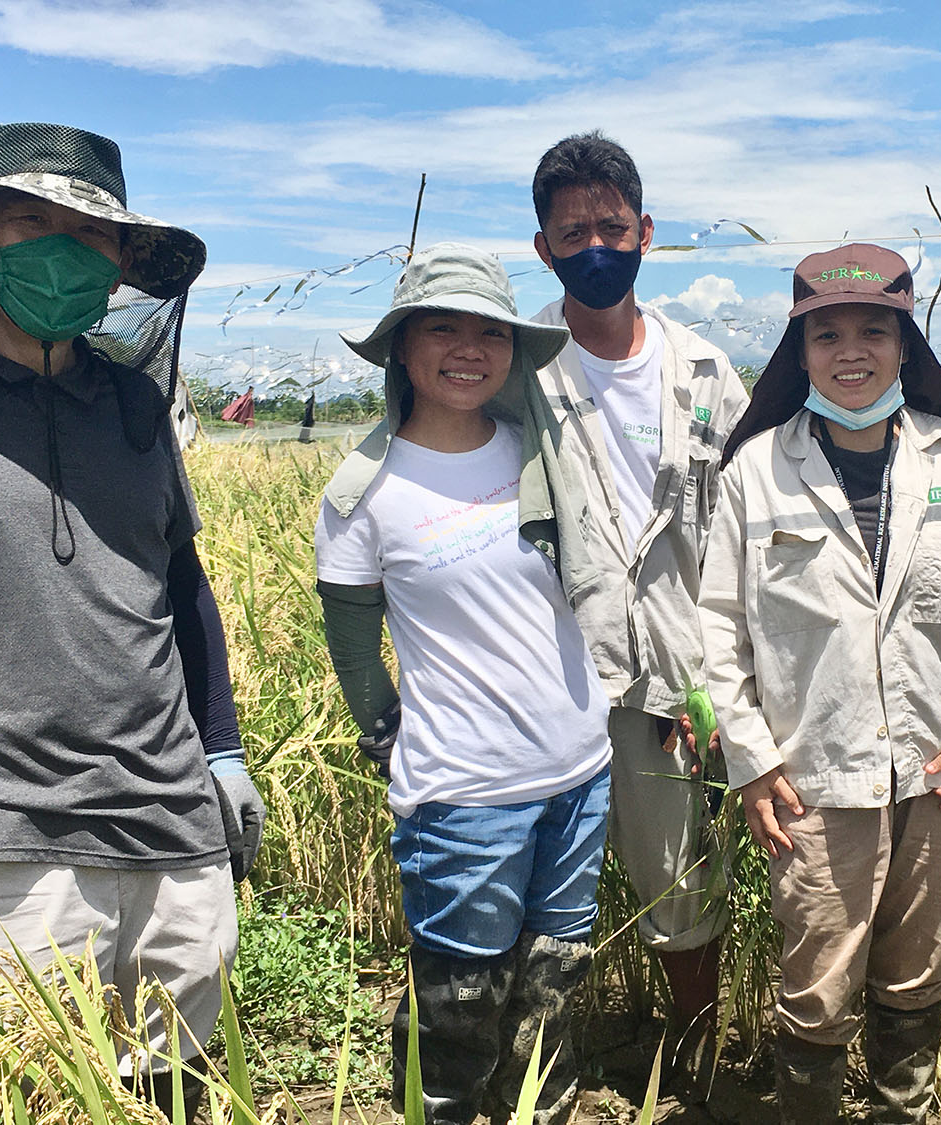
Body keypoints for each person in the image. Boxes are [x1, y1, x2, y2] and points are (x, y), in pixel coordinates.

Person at [0, 122, 263, 1116]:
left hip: (167, 811)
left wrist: (223, 750)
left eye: (94, 234)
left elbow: (181, 585)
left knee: (180, 1081)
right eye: (35, 221)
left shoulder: (136, 407)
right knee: (31, 1092)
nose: (68, 248)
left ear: (120, 267)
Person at [698, 244, 941, 1123]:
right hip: (812, 780)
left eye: (873, 331)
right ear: (799, 351)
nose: (852, 351)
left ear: (905, 344)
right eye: (828, 333)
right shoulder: (756, 472)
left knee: (918, 971)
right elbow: (719, 633)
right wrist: (752, 760)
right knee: (815, 980)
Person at [315, 243, 612, 1125]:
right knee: (459, 1009)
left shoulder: (543, 456)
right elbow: (356, 650)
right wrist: (388, 735)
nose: (468, 348)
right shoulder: (362, 496)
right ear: (401, 347)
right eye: (441, 328)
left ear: (515, 351)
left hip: (579, 772)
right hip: (463, 798)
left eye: (490, 331)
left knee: (552, 997)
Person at [526, 131, 749, 1057]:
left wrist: (724, 678)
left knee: (681, 880)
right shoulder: (518, 370)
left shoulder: (704, 371)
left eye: (611, 226)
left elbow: (744, 527)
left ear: (646, 231)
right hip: (552, 669)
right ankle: (541, 1060)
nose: (595, 248)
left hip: (677, 669)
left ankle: (695, 1054)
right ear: (542, 246)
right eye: (572, 231)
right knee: (540, 882)